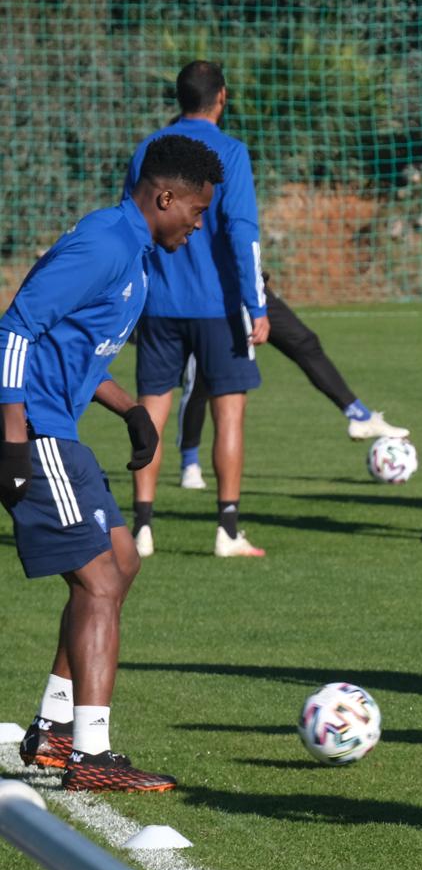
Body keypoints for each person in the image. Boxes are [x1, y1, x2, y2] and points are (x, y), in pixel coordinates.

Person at [6, 134, 222, 791]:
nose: (198, 223)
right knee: (99, 581)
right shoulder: (104, 245)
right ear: (165, 197)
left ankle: (54, 732)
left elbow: (74, 349)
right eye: (197, 210)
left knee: (120, 563)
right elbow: (13, 329)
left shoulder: (131, 251)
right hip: (34, 429)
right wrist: (13, 439)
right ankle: (90, 757)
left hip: (55, 425)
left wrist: (128, 410)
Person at [124, 60, 269, 558]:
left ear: (179, 96)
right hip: (219, 307)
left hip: (158, 305)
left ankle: (142, 528)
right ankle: (227, 531)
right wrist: (258, 305)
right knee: (229, 416)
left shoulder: (150, 148)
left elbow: (132, 227)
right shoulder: (231, 151)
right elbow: (242, 232)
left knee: (151, 413)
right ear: (222, 97)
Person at [174, 272, 408, 490]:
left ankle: (360, 416)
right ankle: (190, 462)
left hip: (253, 292)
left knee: (305, 343)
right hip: (210, 295)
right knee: (202, 376)